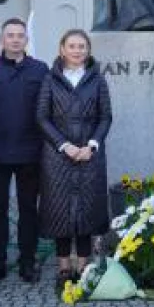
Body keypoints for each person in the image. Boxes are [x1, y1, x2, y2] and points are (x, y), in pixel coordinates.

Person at [0, 18, 50, 285]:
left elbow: (48, 111)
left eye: (20, 35)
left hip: (31, 151)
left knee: (29, 209)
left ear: (26, 40)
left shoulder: (41, 71)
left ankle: (27, 261)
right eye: (10, 35)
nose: (15, 40)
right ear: (2, 39)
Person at [37, 29, 113, 286]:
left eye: (82, 46)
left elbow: (105, 117)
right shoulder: (50, 79)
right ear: (62, 49)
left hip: (89, 155)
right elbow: (41, 117)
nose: (77, 50)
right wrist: (63, 145)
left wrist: (92, 145)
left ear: (88, 51)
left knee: (86, 210)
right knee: (60, 211)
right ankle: (63, 266)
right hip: (57, 156)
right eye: (72, 46)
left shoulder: (98, 80)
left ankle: (83, 264)